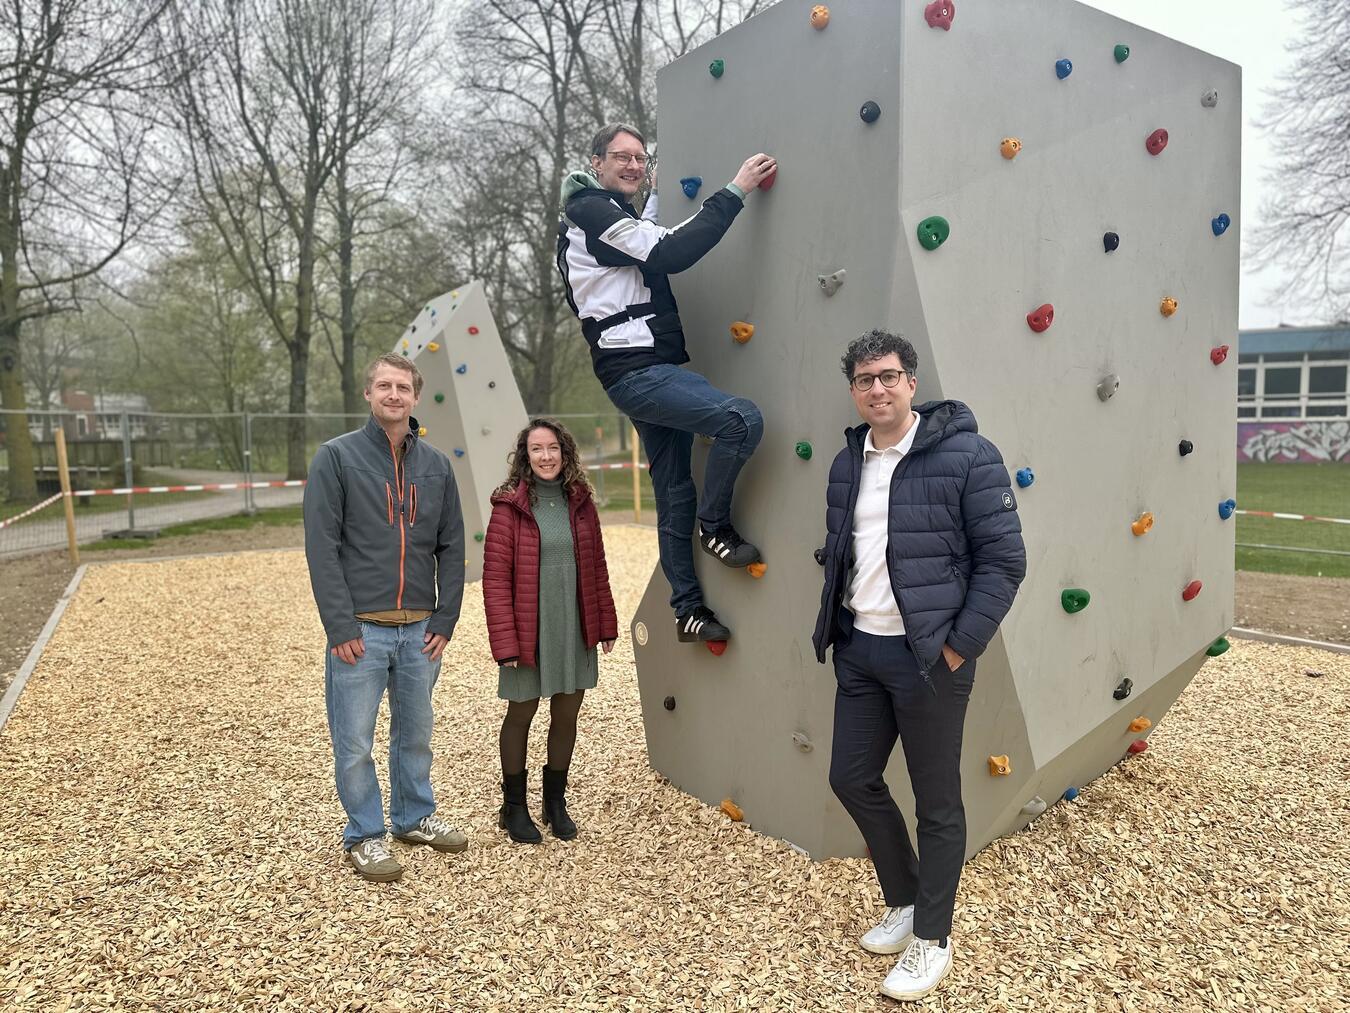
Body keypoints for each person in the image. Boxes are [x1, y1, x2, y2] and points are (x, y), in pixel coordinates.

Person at [811, 330, 1026, 1002]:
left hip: (931, 658)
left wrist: (959, 645)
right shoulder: (848, 461)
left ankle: (932, 937)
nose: (878, 388)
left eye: (890, 375)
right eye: (865, 378)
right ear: (853, 389)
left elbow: (1004, 561)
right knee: (850, 777)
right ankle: (904, 899)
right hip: (862, 651)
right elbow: (845, 548)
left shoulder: (967, 455)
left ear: (912, 381)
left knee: (937, 801)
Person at [556, 122, 777, 645]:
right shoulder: (588, 210)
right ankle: (715, 527)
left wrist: (658, 189)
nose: (633, 165)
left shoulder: (614, 215)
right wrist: (737, 189)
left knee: (674, 490)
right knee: (741, 420)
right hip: (637, 374)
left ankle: (688, 611)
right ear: (596, 163)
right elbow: (670, 252)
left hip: (648, 370)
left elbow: (649, 229)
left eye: (641, 157)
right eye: (621, 157)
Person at [304, 353, 468, 883]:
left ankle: (413, 818)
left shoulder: (438, 465)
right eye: (383, 386)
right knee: (354, 743)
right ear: (368, 394)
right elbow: (322, 547)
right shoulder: (336, 458)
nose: (393, 395)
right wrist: (339, 625)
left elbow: (452, 545)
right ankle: (365, 835)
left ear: (416, 397)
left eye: (402, 387)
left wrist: (446, 618)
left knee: (416, 733)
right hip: (361, 630)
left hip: (421, 628)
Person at [482, 418, 618, 843]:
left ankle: (555, 803)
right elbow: (494, 580)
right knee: (521, 711)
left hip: (573, 624)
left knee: (566, 713)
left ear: (565, 452)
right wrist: (504, 642)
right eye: (537, 449)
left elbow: (596, 566)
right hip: (527, 628)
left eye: (552, 448)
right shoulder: (509, 507)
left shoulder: (581, 502)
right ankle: (514, 807)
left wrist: (606, 623)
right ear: (526, 456)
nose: (546, 457)